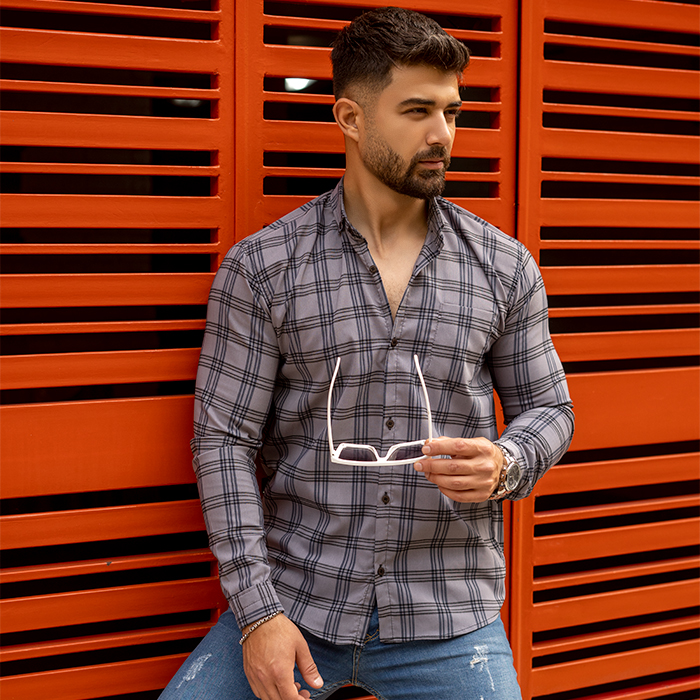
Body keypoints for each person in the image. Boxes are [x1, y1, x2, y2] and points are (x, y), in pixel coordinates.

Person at [160, 7, 574, 700]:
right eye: (417, 111)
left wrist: (508, 462)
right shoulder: (263, 267)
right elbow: (223, 441)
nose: (442, 134)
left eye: (451, 111)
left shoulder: (504, 266)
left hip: (449, 616)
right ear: (350, 118)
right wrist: (258, 615)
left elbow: (550, 407)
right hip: (296, 602)